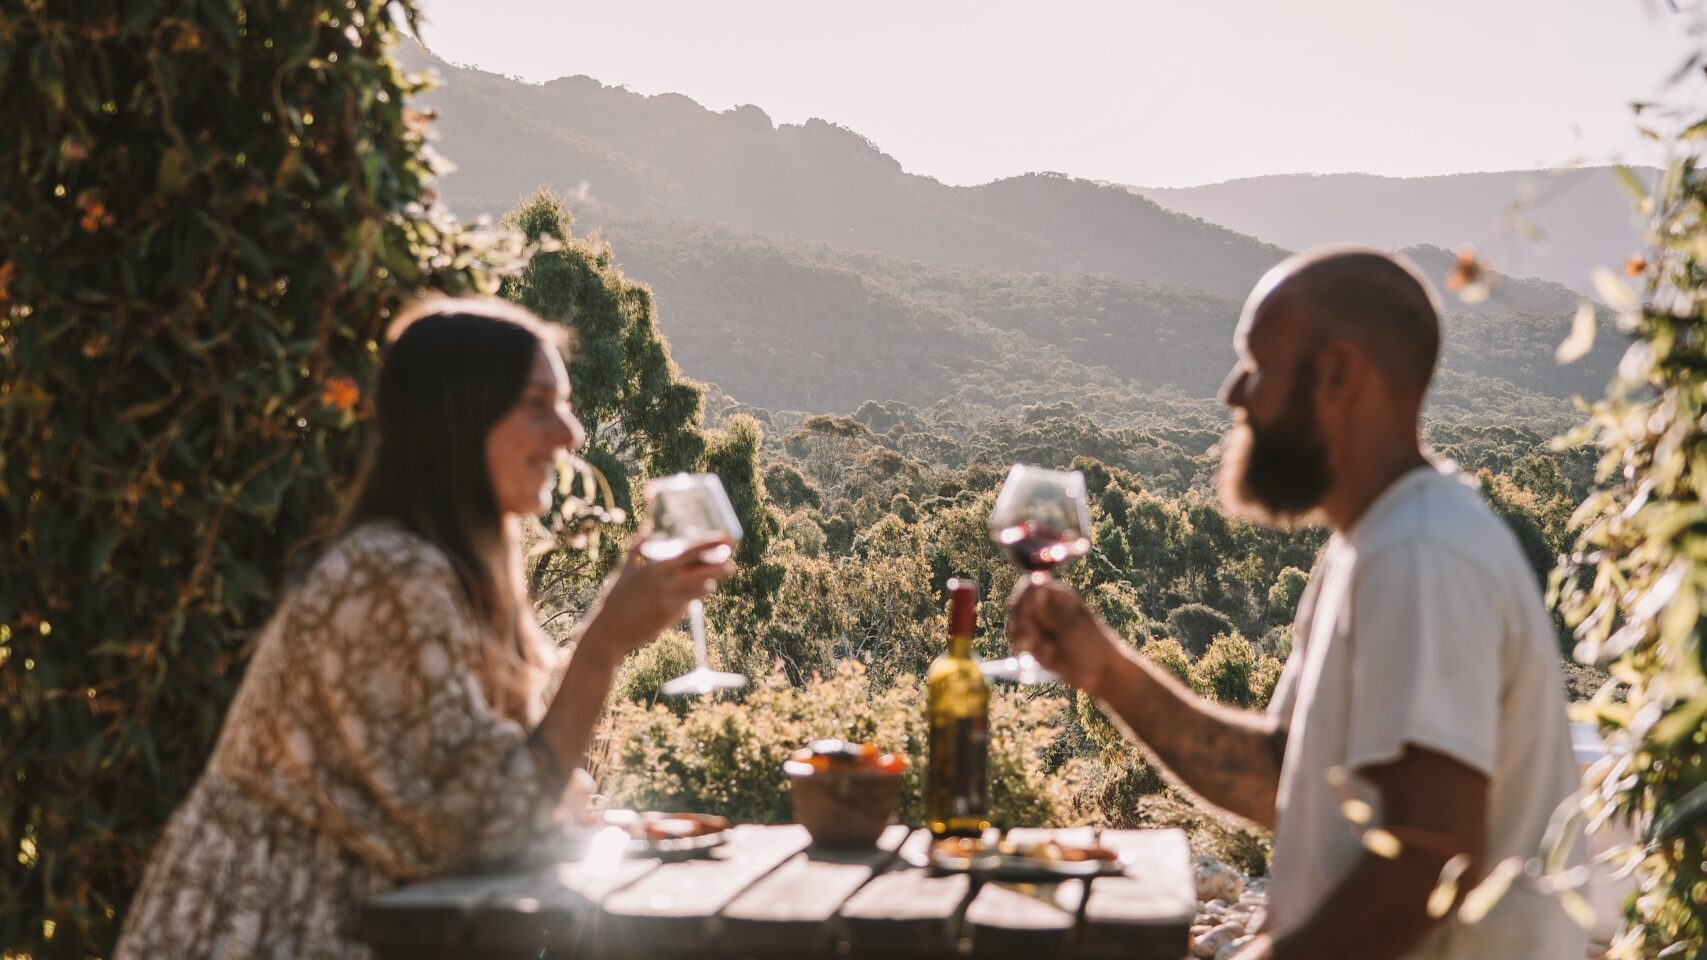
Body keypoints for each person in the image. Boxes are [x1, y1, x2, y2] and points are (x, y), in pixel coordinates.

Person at [1008, 248, 1584, 960]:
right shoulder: (1372, 544)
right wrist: (1107, 672)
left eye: (1257, 363)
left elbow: (1429, 857)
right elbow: (1280, 781)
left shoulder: (1421, 554)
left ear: (1337, 374)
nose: (1233, 393)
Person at [114, 297, 733, 960]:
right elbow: (479, 822)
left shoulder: (452, 570)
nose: (570, 433)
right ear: (458, 420)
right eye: (536, 404)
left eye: (565, 403)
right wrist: (603, 647)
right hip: (270, 926)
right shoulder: (385, 574)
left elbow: (507, 778)